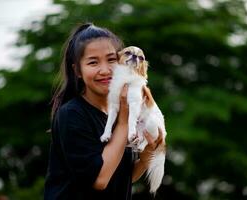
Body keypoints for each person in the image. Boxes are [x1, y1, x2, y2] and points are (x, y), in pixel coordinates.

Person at [44, 23, 163, 200]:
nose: (105, 70)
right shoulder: (72, 114)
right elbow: (100, 179)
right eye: (93, 62)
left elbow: (122, 176)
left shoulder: (118, 113)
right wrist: (124, 120)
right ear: (77, 70)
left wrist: (148, 154)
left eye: (112, 60)